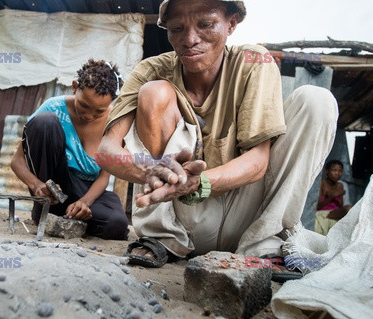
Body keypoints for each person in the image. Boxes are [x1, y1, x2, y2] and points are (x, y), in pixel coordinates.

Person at [97, 0, 338, 267]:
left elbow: (258, 161)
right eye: (177, 28)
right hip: (185, 214)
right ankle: (161, 237)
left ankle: (267, 242)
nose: (189, 39)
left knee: (316, 101)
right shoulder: (152, 69)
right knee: (154, 92)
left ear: (231, 23)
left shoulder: (254, 61)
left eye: (205, 24)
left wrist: (201, 183)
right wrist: (149, 168)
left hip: (248, 217)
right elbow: (106, 151)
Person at [11, 59, 129, 240]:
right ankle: (45, 209)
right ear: (75, 87)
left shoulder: (114, 122)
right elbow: (17, 162)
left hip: (87, 190)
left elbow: (104, 177)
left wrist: (84, 203)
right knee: (44, 122)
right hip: (54, 189)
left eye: (99, 111)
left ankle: (74, 216)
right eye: (84, 105)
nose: (89, 115)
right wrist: (37, 186)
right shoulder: (53, 107)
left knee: (117, 225)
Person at [315, 160, 351, 235]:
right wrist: (332, 196)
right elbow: (318, 206)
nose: (337, 173)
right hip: (322, 213)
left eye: (340, 171)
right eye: (334, 170)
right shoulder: (322, 183)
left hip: (335, 213)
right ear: (327, 171)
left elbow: (340, 206)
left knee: (349, 208)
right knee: (348, 209)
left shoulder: (340, 185)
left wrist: (338, 194)